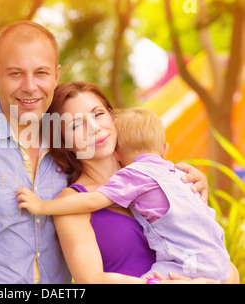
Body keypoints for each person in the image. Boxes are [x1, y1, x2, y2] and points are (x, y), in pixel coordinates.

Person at [0, 21, 210, 284]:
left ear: (56, 75)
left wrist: (189, 182)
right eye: (15, 74)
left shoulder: (66, 153)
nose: (30, 86)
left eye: (41, 73)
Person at [17, 106, 231, 283]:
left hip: (194, 266)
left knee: (156, 276)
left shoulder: (139, 177)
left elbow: (92, 201)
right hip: (211, 262)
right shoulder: (172, 173)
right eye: (76, 125)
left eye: (98, 114)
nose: (93, 128)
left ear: (116, 146)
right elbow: (91, 280)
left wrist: (42, 206)